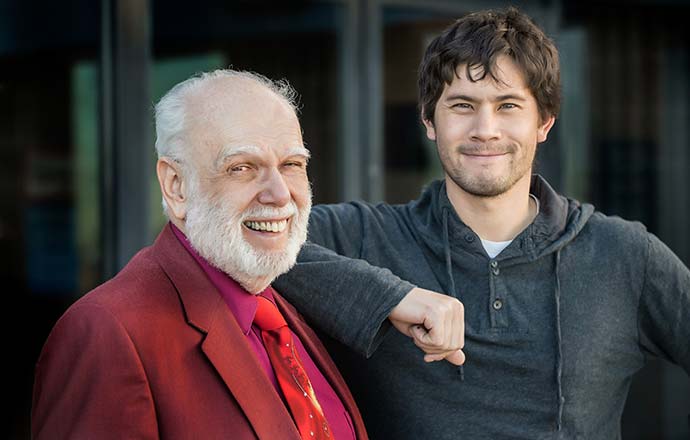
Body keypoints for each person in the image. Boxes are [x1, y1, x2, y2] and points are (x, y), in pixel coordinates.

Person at [274, 7, 690, 440]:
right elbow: (247, 241)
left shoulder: (623, 254)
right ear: (429, 120)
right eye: (462, 106)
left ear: (544, 121)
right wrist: (394, 297)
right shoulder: (364, 236)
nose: (484, 129)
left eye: (507, 105)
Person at [30, 70, 465, 439]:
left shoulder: (283, 305)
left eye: (292, 165)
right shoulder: (106, 332)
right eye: (241, 168)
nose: (279, 195)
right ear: (176, 186)